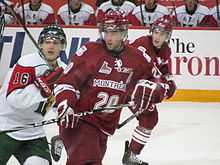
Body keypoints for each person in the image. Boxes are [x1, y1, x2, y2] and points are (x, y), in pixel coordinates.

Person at [53, 10, 171, 165]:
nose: (109, 37)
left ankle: (133, 152)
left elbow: (161, 82)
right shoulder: (90, 52)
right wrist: (65, 104)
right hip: (79, 121)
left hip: (103, 128)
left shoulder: (137, 58)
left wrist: (153, 88)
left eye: (114, 33)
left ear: (124, 33)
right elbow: (67, 82)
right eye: (106, 32)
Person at [0, 24, 67, 165]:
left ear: (62, 46)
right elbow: (14, 99)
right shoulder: (28, 63)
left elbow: (62, 104)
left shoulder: (63, 70)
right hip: (5, 127)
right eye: (47, 42)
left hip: (34, 132)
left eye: (56, 42)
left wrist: (63, 134)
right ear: (40, 45)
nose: (51, 46)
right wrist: (40, 88)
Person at [122, 15, 177, 165]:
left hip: (139, 87)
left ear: (168, 36)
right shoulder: (141, 44)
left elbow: (163, 67)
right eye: (156, 32)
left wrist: (169, 79)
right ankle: (66, 137)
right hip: (125, 85)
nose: (158, 36)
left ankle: (131, 155)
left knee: (150, 118)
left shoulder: (165, 50)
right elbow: (138, 68)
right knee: (100, 118)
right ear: (151, 31)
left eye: (162, 34)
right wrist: (163, 82)